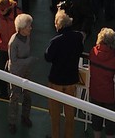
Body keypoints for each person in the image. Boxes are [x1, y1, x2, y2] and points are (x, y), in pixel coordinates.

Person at [44, 9, 84, 138]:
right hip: (71, 81)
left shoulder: (55, 41)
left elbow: (48, 57)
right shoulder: (78, 37)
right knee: (70, 115)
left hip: (56, 81)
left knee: (55, 116)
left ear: (59, 25)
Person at [87, 26, 115, 133]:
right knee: (111, 124)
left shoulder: (93, 52)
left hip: (95, 93)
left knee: (96, 121)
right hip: (111, 96)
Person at [8, 12, 36, 130]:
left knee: (28, 95)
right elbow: (14, 61)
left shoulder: (27, 36)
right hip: (16, 72)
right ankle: (12, 122)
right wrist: (29, 60)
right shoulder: (13, 42)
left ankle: (25, 116)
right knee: (15, 97)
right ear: (22, 28)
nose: (31, 28)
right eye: (29, 26)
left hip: (26, 71)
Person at [0, 0, 20, 86]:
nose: (0, 12)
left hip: (14, 48)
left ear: (8, 7)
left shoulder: (18, 14)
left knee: (14, 72)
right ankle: (3, 93)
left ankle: (14, 91)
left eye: (2, 10)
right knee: (1, 71)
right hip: (2, 46)